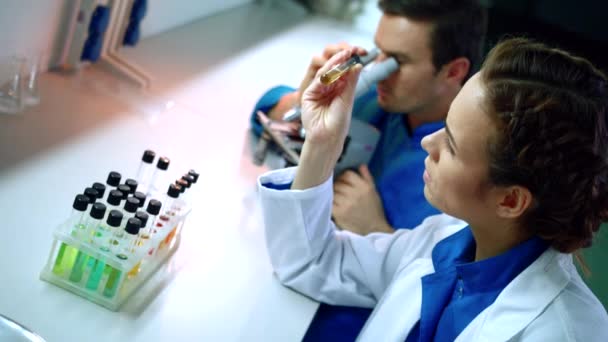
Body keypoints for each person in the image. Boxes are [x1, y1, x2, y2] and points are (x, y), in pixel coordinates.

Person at [257, 38, 608, 341]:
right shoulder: (443, 243)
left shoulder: (566, 332)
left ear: (510, 199)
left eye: (452, 145)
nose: (428, 142)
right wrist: (322, 142)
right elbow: (312, 262)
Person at [251, 0, 487, 235]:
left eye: (398, 61)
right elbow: (263, 110)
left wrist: (378, 232)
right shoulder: (378, 101)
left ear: (454, 71)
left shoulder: (463, 172)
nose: (378, 71)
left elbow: (438, 266)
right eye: (379, 51)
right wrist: (301, 101)